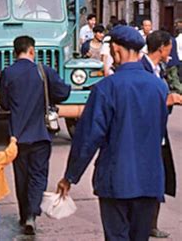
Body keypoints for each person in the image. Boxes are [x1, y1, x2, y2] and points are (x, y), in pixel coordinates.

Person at [57, 25, 169, 241]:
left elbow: (88, 138)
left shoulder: (106, 88)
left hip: (116, 180)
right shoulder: (159, 87)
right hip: (150, 180)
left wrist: (70, 176)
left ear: (116, 49)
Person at [0, 36, 70, 235]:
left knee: (22, 176)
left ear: (15, 52)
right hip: (40, 134)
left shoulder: (8, 73)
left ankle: (23, 215)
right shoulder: (43, 71)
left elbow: (3, 102)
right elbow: (64, 93)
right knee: (38, 176)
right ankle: (32, 215)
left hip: (17, 137)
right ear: (31, 50)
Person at [141, 30, 181, 238]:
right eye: (169, 48)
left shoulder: (160, 69)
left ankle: (151, 224)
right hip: (146, 134)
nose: (171, 52)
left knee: (160, 178)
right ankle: (143, 224)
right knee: (149, 179)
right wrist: (168, 99)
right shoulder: (143, 70)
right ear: (161, 48)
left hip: (160, 131)